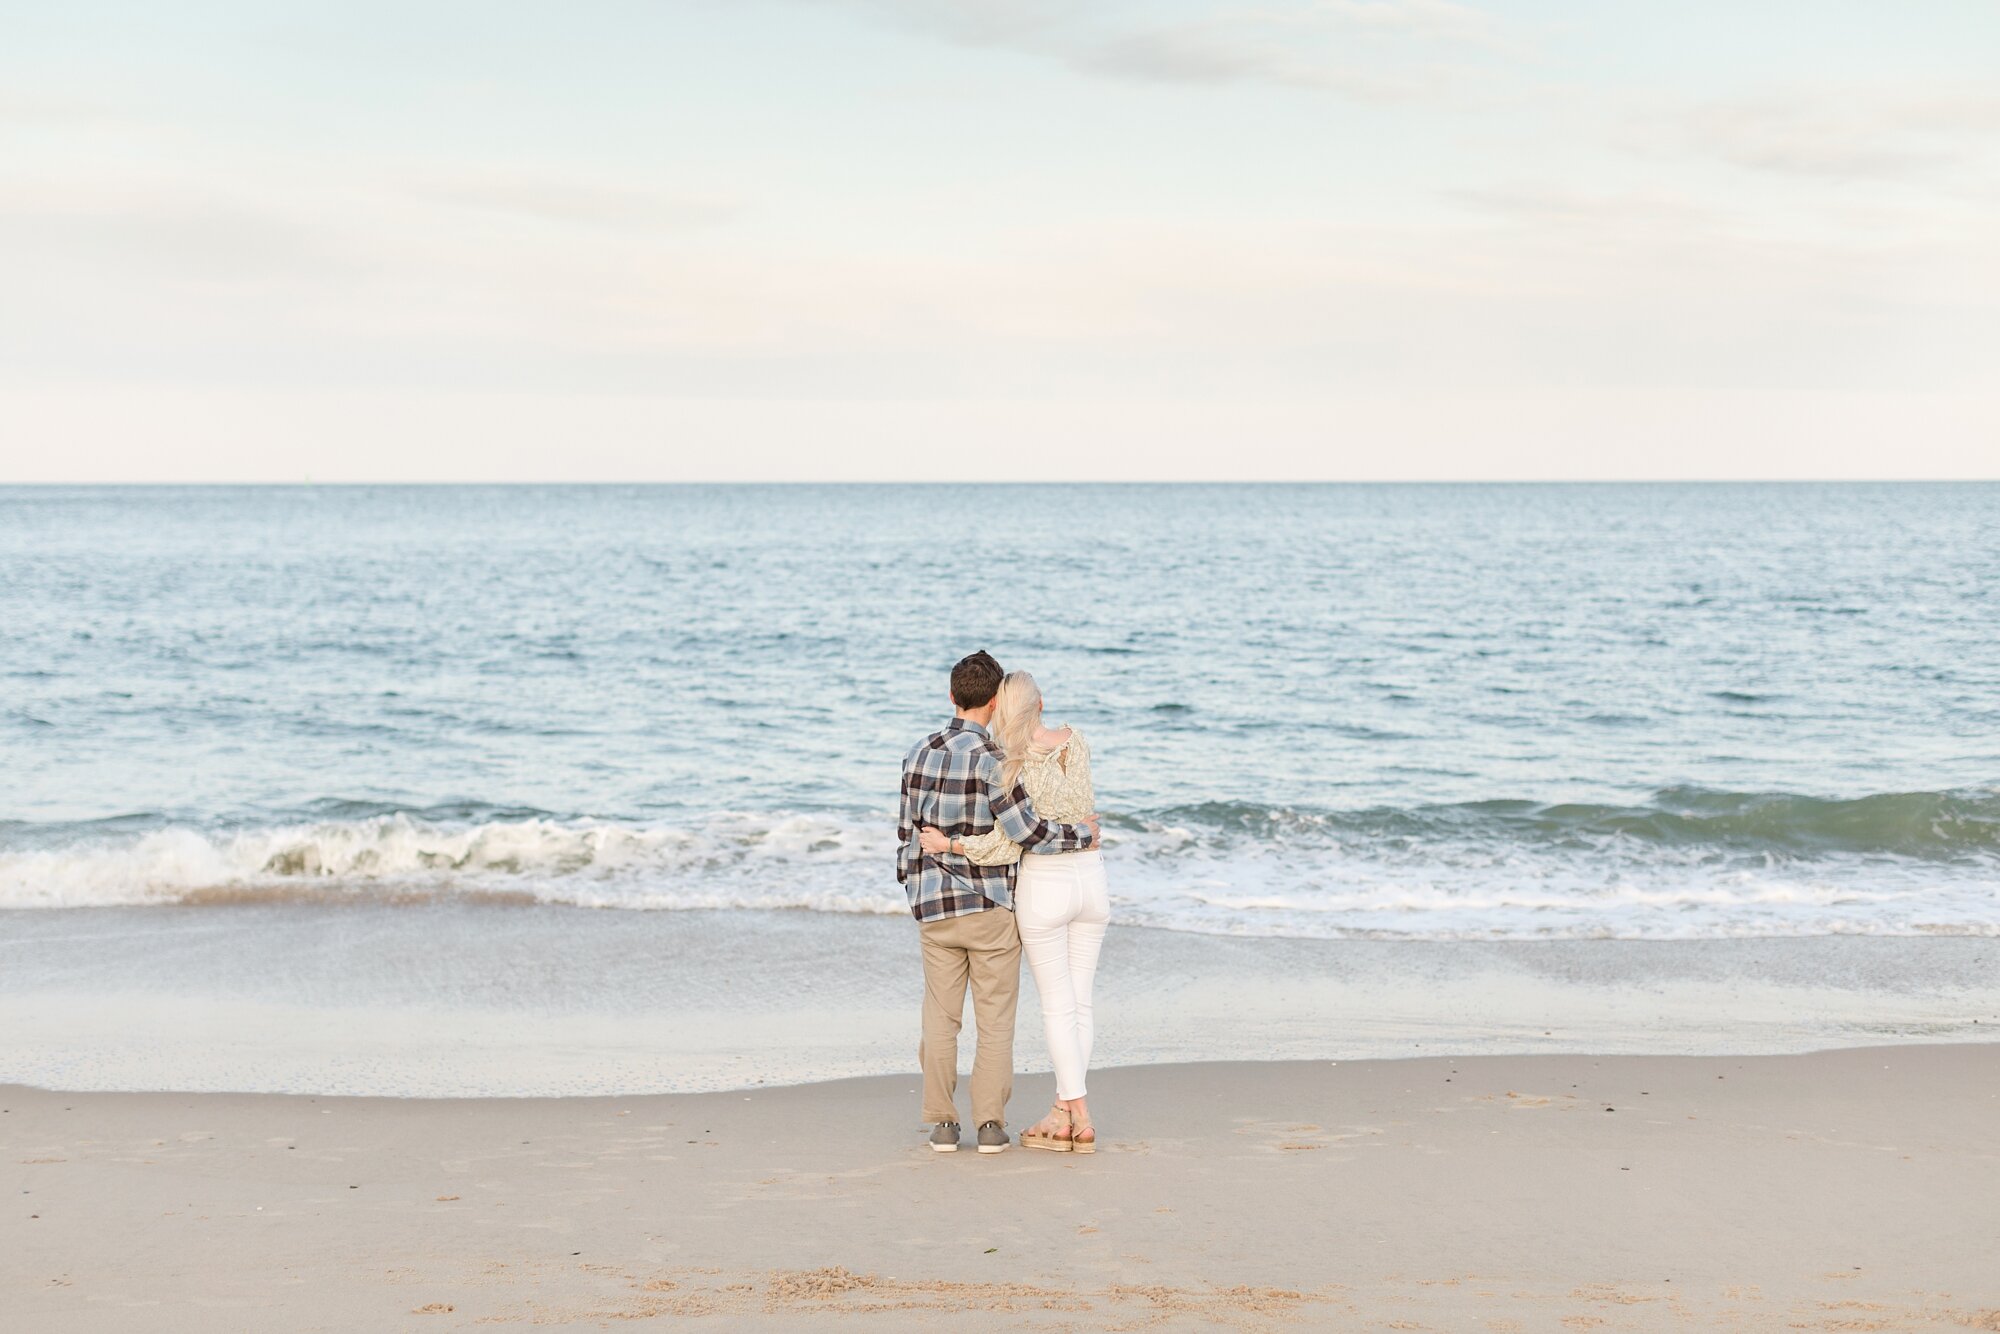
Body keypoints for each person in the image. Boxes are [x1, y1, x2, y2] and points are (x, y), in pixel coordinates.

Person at [896, 650, 1100, 1154]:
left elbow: (904, 835)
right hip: (989, 907)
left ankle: (943, 1125)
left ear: (952, 696)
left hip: (934, 908)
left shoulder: (918, 751)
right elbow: (1026, 833)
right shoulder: (995, 762)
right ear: (993, 702)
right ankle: (989, 1126)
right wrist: (1082, 835)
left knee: (940, 1020)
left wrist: (916, 886)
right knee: (995, 1021)